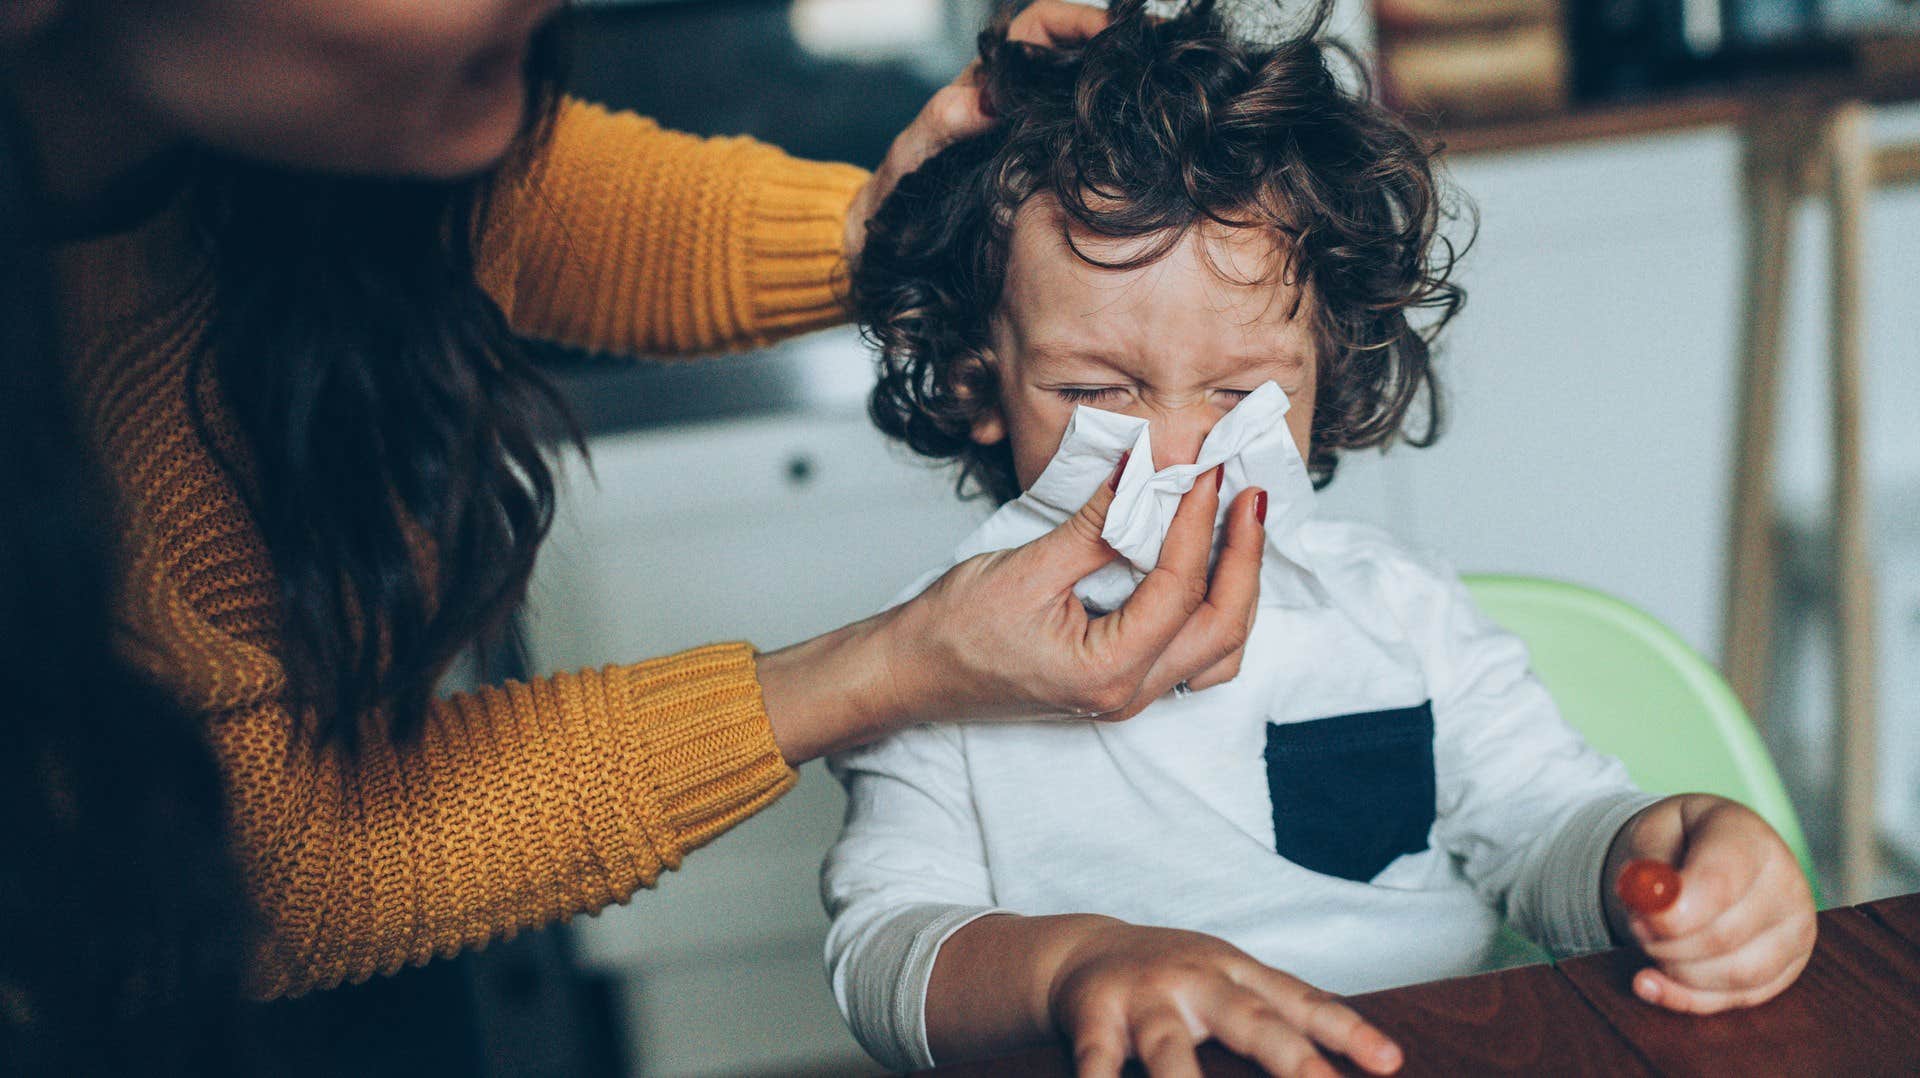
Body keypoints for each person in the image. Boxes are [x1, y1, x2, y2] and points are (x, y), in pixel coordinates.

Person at [0, 0, 1269, 1027]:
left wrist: (904, 237)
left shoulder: (310, 136)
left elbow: (541, 202)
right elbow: (244, 869)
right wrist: (888, 667)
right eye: (1098, 382)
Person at [822, 3, 1819, 1075]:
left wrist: (1655, 858)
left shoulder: (1396, 614)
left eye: (1240, 393)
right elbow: (882, 949)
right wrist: (1069, 967)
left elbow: (1543, 827)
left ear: (1323, 376)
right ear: (981, 378)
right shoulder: (934, 658)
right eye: (1096, 390)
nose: (1172, 456)